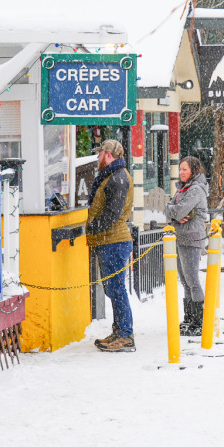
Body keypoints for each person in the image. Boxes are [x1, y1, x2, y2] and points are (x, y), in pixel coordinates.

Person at [87, 139, 136, 352]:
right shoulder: (113, 176)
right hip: (110, 239)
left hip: (114, 240)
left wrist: (93, 228)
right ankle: (120, 331)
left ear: (108, 155)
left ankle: (125, 335)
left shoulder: (117, 178)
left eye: (100, 154)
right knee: (113, 289)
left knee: (117, 289)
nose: (98, 157)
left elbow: (112, 212)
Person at [165, 156, 209, 336]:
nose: (181, 172)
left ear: (194, 171)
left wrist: (173, 211)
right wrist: (173, 212)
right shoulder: (183, 189)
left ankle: (199, 321)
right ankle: (189, 318)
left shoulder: (195, 190)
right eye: (180, 169)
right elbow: (168, 209)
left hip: (191, 238)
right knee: (184, 281)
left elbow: (178, 210)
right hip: (180, 236)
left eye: (185, 169)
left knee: (192, 281)